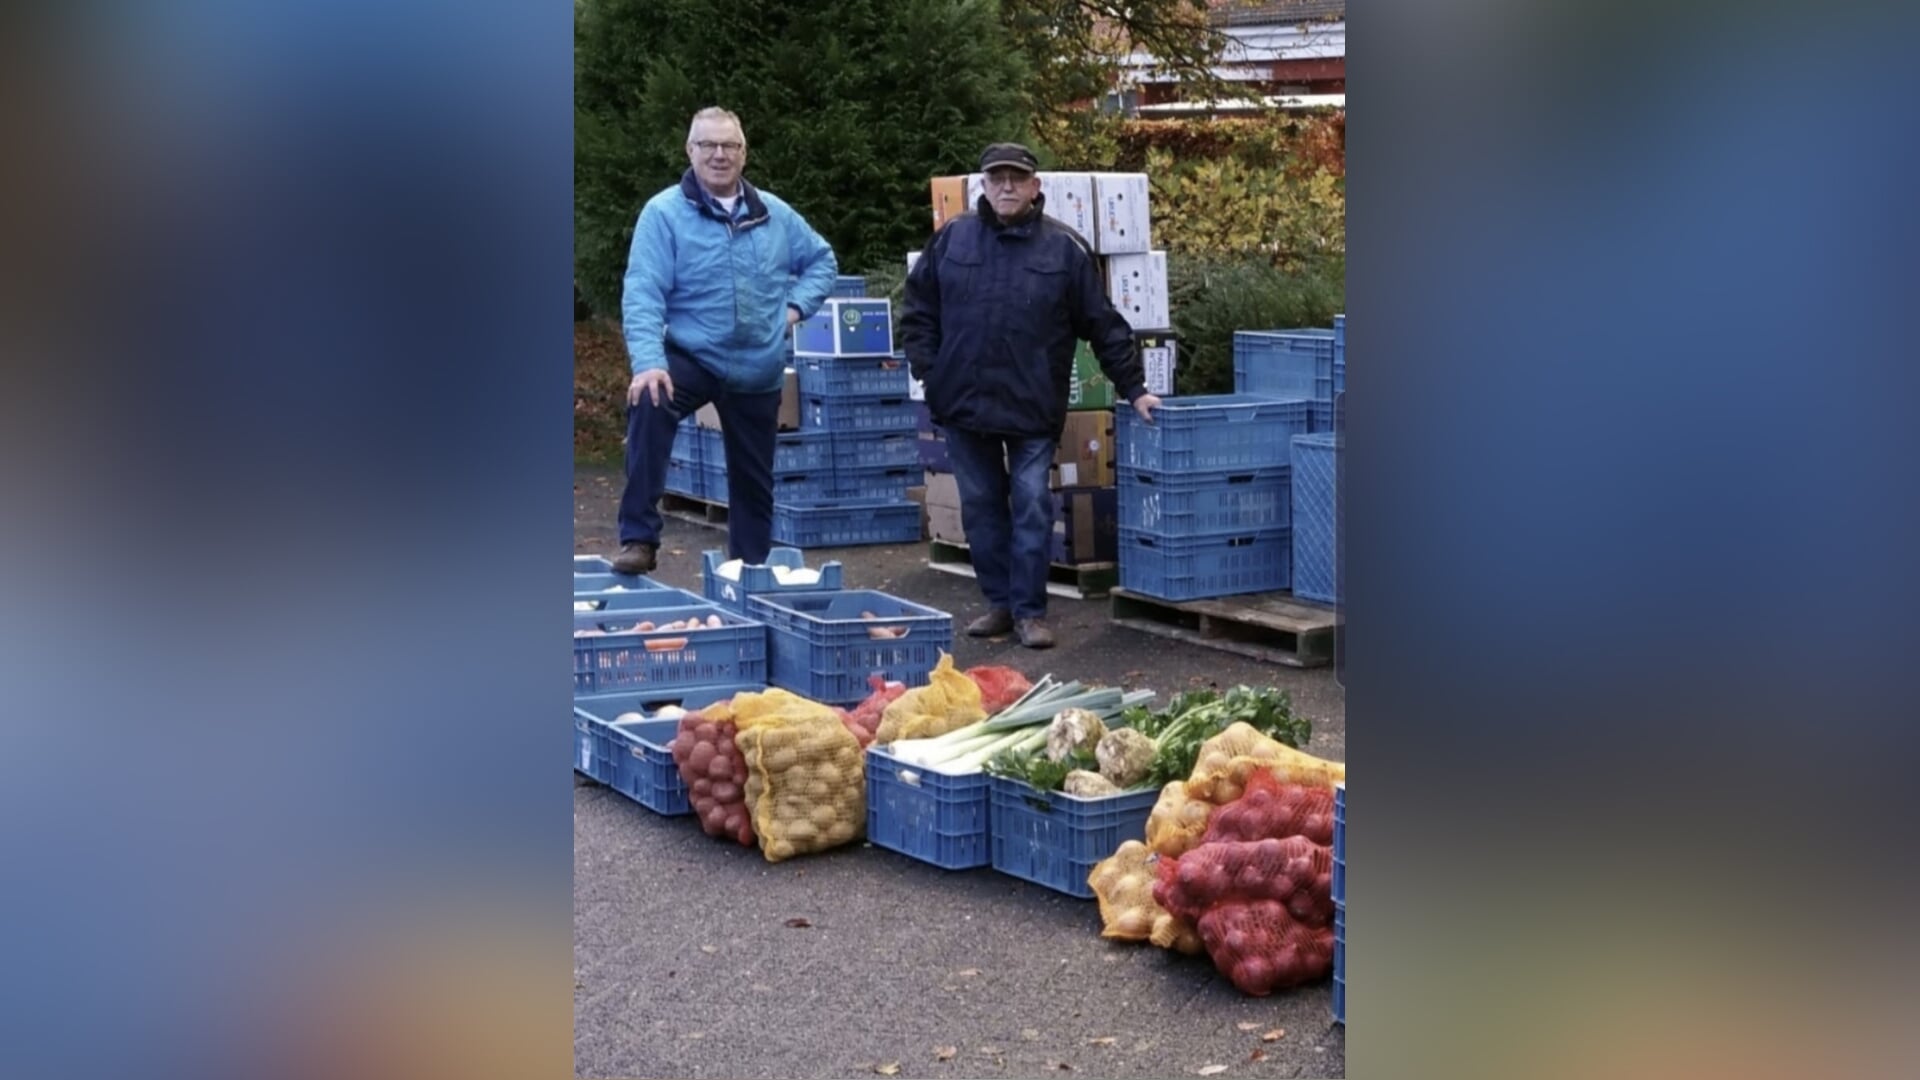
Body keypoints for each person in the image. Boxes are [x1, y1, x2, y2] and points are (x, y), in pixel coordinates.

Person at [899, 142, 1161, 649]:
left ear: (1035, 187)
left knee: (1032, 506)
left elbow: (1103, 325)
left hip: (1033, 406)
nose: (1007, 187)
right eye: (997, 178)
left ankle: (1030, 612)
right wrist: (931, 372)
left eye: (1017, 178)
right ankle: (999, 603)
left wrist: (1135, 389)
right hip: (963, 403)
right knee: (981, 507)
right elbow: (919, 310)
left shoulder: (1064, 249)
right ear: (983, 185)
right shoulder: (952, 239)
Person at [611, 107, 838, 574]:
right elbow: (643, 291)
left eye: (729, 145)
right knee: (650, 401)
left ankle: (748, 573)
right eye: (708, 145)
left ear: (743, 153)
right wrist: (649, 361)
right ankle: (639, 539)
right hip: (692, 356)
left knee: (754, 480)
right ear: (690, 150)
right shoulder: (664, 214)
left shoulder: (774, 214)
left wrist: (794, 308)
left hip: (758, 365)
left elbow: (822, 260)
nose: (719, 155)